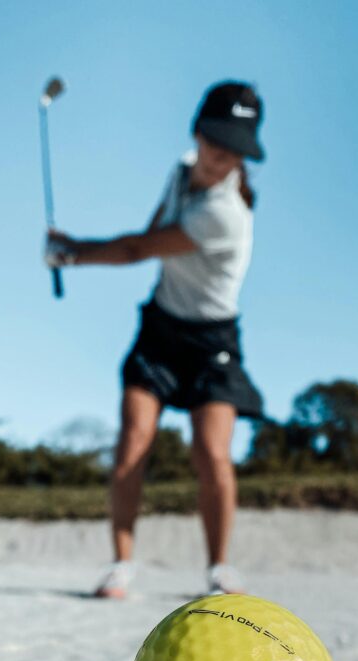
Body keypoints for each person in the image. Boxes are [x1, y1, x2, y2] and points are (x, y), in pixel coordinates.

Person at [45, 81, 266, 598]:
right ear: (198, 132)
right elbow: (147, 240)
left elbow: (137, 250)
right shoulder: (181, 171)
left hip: (213, 339)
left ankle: (218, 569)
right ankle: (122, 564)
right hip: (162, 329)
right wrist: (78, 249)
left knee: (211, 454)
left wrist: (72, 252)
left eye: (234, 149)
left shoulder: (225, 213)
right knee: (131, 445)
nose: (221, 156)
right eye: (216, 142)